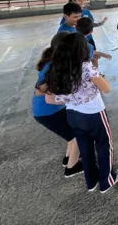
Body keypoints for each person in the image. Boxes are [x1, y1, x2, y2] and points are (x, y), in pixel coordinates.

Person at [40, 33, 118, 193]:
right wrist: (97, 73)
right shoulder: (86, 67)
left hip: (73, 115)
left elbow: (51, 99)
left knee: (85, 148)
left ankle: (91, 182)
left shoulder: (57, 68)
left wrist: (73, 98)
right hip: (94, 114)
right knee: (104, 145)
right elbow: (106, 89)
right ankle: (106, 181)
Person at [32, 32, 83, 178]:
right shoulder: (53, 68)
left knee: (72, 133)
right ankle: (72, 168)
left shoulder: (52, 62)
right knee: (78, 135)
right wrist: (74, 99)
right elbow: (50, 99)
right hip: (48, 112)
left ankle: (69, 159)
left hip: (49, 110)